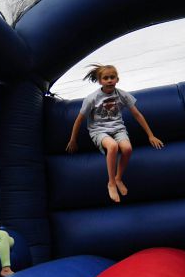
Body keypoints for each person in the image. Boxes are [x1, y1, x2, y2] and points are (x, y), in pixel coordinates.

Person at [66, 63, 164, 203]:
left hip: (118, 128)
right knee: (113, 146)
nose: (110, 80)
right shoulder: (92, 99)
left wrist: (151, 135)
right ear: (100, 81)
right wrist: (73, 139)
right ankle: (111, 183)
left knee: (127, 148)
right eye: (106, 78)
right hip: (98, 130)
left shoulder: (122, 95)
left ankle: (118, 178)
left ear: (117, 79)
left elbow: (137, 115)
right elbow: (79, 120)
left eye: (112, 77)